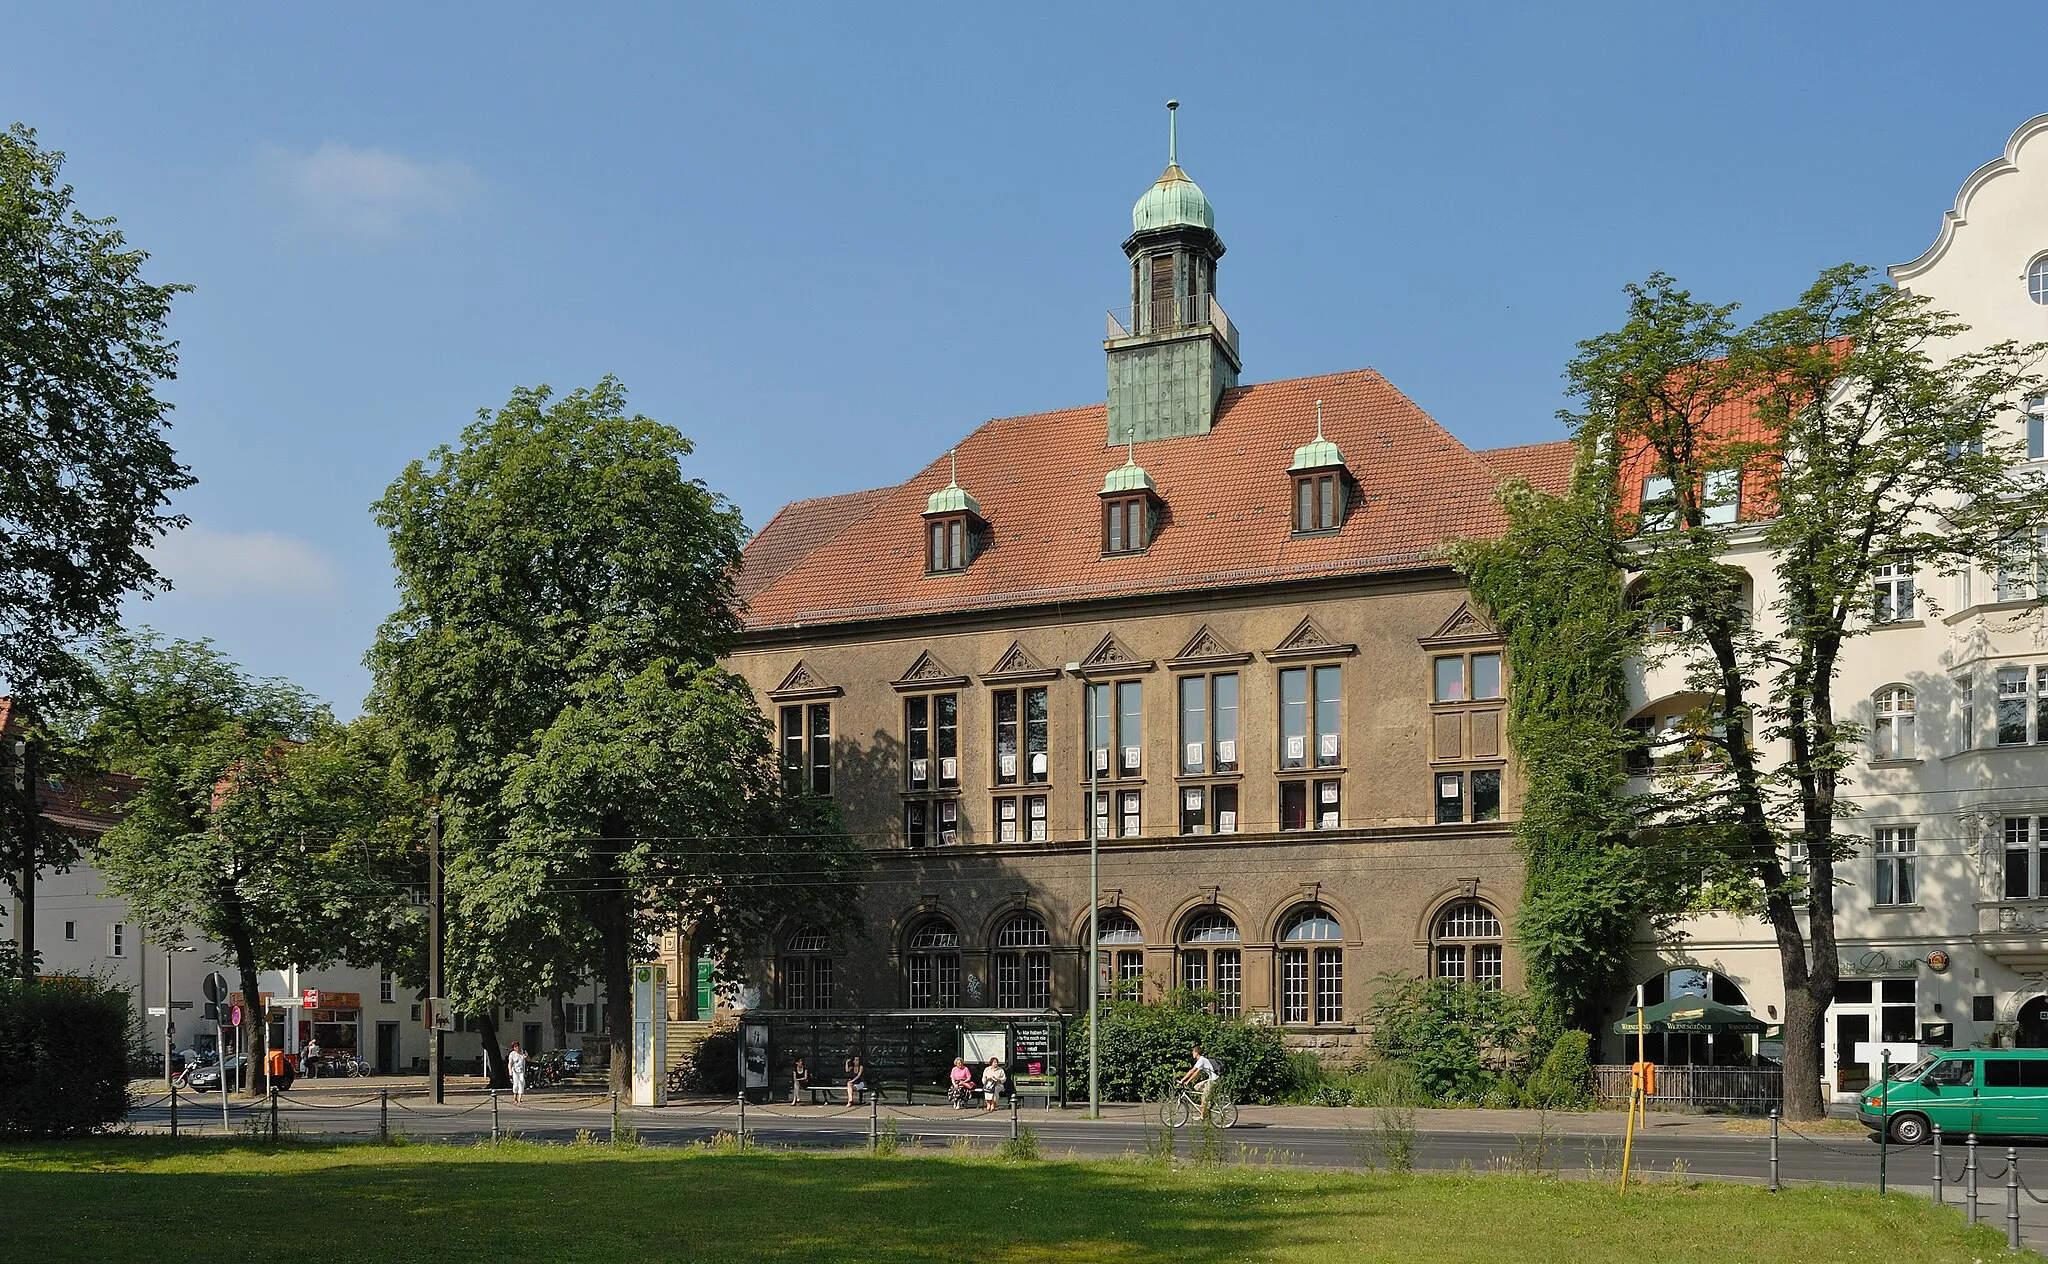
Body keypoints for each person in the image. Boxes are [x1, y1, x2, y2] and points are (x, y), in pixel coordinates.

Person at [1175, 1045, 1220, 1122]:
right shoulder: (1202, 1061)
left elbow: (1192, 1071)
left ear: (1196, 1052)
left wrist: (1182, 1080)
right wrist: (1188, 1081)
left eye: (1193, 1052)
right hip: (1212, 1079)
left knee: (1204, 1098)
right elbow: (1196, 1073)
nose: (1192, 1054)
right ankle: (1207, 1103)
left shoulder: (1201, 1060)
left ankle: (1202, 1116)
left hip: (1213, 1080)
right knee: (1197, 1087)